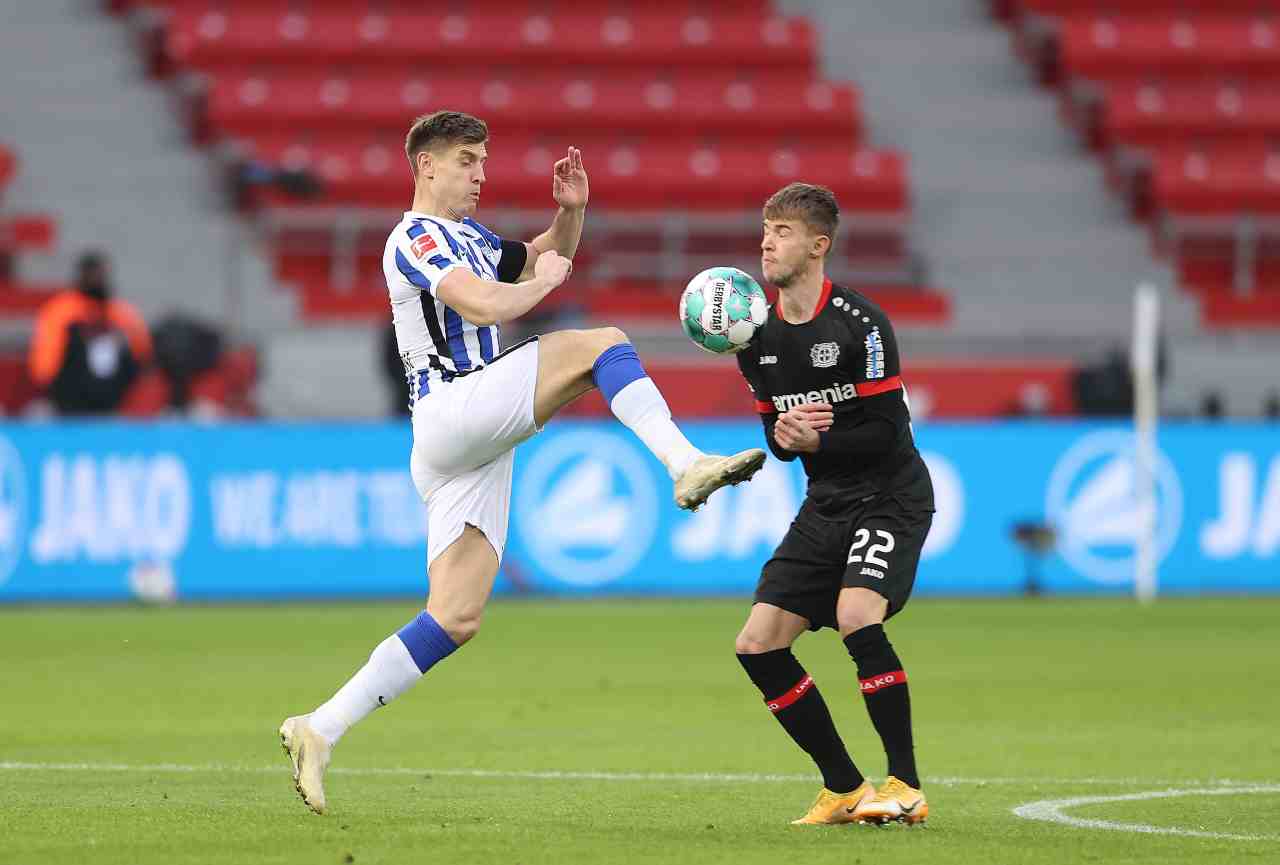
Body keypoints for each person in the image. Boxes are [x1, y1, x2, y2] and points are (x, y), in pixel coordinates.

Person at [279, 111, 765, 814]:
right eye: (468, 160)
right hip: (454, 408)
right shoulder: (415, 237)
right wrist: (545, 285)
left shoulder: (471, 236)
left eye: (483, 160)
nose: (481, 173)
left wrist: (570, 217)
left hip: (467, 442)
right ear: (428, 167)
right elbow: (479, 300)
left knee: (453, 617)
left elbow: (535, 256)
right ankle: (684, 462)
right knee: (603, 343)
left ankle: (319, 728)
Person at [732, 183, 935, 826]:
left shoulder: (861, 322)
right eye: (765, 228)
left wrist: (816, 437)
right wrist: (787, 440)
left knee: (856, 613)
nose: (768, 241)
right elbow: (778, 434)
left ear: (818, 246)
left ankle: (904, 783)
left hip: (890, 495)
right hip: (826, 503)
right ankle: (845, 787)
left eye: (783, 231)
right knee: (758, 644)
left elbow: (884, 430)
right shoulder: (754, 337)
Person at [28, 251, 153, 415]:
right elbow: (45, 365)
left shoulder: (119, 313)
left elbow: (142, 354)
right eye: (92, 275)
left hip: (113, 396)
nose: (97, 280)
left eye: (100, 275)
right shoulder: (62, 311)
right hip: (71, 396)